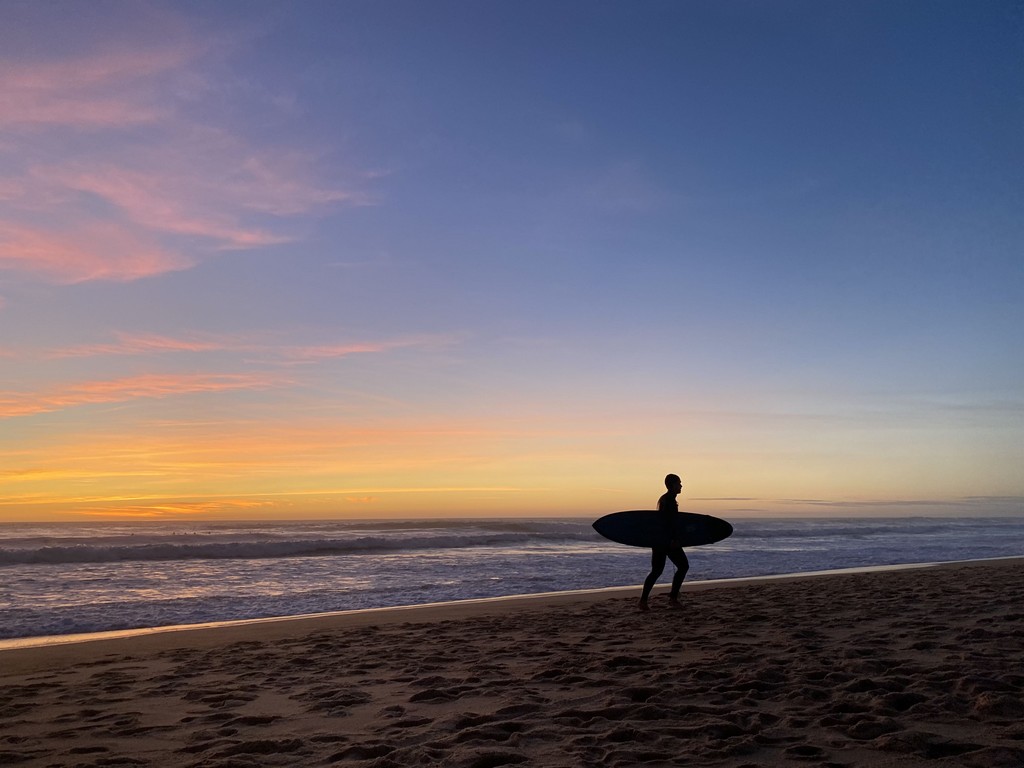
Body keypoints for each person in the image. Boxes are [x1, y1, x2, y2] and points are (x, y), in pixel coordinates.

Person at [638, 473, 689, 611]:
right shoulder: (669, 501)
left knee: (656, 571)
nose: (681, 486)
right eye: (679, 483)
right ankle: (673, 599)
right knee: (683, 566)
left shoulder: (665, 499)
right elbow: (668, 523)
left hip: (659, 540)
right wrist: (674, 539)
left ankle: (643, 601)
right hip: (667, 541)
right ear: (672, 485)